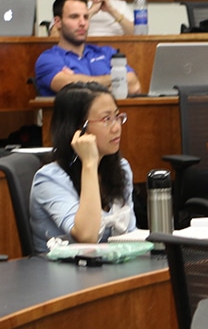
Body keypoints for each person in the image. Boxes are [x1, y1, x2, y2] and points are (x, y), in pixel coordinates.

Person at [29, 82, 136, 254]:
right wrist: (89, 163)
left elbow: (130, 232)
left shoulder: (121, 167)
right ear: (78, 129)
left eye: (117, 117)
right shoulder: (49, 179)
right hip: (63, 269)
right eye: (106, 119)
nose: (117, 127)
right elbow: (87, 236)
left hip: (113, 263)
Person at [33, 0, 141, 96]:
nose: (82, 23)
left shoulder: (107, 53)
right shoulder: (48, 59)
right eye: (74, 17)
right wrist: (117, 81)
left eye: (85, 17)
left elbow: (134, 85)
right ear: (58, 22)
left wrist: (79, 81)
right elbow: (68, 87)